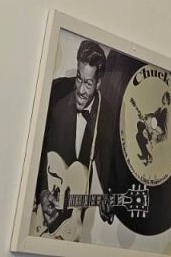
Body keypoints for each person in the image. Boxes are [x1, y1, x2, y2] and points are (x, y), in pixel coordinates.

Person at [35, 39, 114, 237]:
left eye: (88, 83)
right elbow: (36, 146)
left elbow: (107, 167)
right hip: (40, 214)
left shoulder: (106, 114)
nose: (80, 90)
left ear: (99, 83)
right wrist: (42, 191)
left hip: (72, 222)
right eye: (79, 79)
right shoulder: (55, 92)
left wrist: (107, 202)